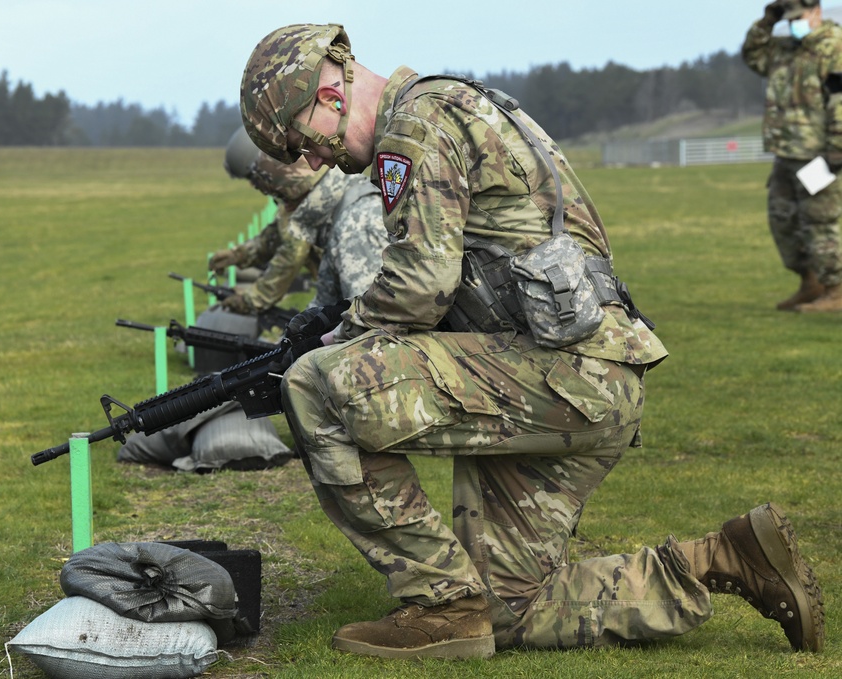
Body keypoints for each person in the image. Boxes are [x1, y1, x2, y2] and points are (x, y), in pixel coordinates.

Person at [239, 23, 825, 659]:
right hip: (575, 372)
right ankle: (726, 558)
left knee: (317, 384)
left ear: (329, 94)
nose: (311, 162)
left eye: (303, 142)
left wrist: (335, 337)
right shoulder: (452, 106)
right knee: (509, 612)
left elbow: (419, 287)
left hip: (563, 374)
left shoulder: (414, 127)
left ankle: (442, 602)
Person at [214, 126, 388, 314]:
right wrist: (239, 255)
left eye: (256, 180)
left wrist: (250, 301)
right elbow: (276, 235)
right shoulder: (312, 203)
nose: (257, 187)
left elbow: (369, 319)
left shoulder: (355, 225)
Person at [743, 0, 842, 311]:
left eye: (797, 17)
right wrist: (767, 20)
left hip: (820, 155)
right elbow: (753, 55)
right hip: (786, 153)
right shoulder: (785, 49)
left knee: (821, 223)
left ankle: (836, 291)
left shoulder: (834, 48)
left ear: (816, 12)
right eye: (789, 19)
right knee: (783, 222)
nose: (794, 24)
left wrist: (836, 152)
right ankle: (810, 283)